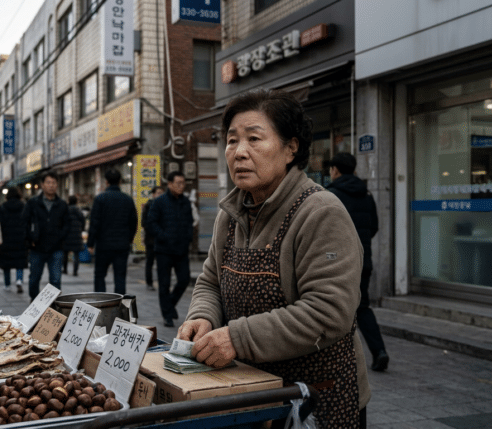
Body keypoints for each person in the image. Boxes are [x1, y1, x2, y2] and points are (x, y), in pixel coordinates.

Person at [178, 89, 370, 428]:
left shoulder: (320, 212)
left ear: (290, 147)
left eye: (254, 139)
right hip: (253, 391)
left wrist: (236, 337)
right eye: (232, 140)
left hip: (316, 396)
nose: (239, 152)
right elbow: (210, 281)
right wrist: (203, 316)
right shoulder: (231, 213)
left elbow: (329, 312)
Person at [326, 152, 389, 372]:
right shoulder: (367, 194)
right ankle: (379, 350)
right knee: (362, 307)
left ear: (335, 170)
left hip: (338, 263)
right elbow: (374, 227)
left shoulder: (330, 195)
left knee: (334, 308)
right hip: (364, 261)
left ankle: (337, 361)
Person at [147, 171, 193, 327]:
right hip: (164, 250)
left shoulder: (186, 202)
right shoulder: (159, 202)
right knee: (164, 284)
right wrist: (163, 236)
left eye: (183, 183)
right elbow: (151, 223)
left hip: (181, 249)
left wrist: (188, 238)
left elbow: (190, 223)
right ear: (170, 184)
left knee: (184, 279)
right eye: (178, 183)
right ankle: (167, 315)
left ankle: (170, 304)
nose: (181, 186)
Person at [87, 169, 138, 294]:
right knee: (120, 277)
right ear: (120, 182)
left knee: (100, 275)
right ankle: (119, 306)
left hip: (103, 244)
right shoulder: (127, 199)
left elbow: (95, 223)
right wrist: (129, 239)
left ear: (106, 182)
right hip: (122, 245)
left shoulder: (100, 199)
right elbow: (134, 222)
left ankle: (101, 304)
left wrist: (90, 243)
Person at [22, 172, 69, 300]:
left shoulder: (62, 204)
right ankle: (34, 303)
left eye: (53, 183)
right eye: (48, 183)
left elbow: (67, 225)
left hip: (56, 248)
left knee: (55, 279)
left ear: (57, 185)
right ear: (42, 185)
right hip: (37, 247)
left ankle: (54, 306)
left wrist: (61, 237)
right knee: (34, 279)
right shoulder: (33, 203)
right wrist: (29, 239)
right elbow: (24, 222)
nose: (51, 186)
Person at [0, 187, 27, 293]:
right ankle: (19, 280)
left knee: (6, 263)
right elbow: (26, 222)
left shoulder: (3, 207)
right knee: (20, 261)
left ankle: (7, 284)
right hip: (20, 238)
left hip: (6, 238)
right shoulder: (23, 206)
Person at [141, 186, 164, 291]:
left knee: (162, 263)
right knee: (149, 262)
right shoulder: (148, 205)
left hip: (162, 240)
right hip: (150, 239)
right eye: (158, 193)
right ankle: (149, 282)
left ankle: (162, 283)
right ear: (153, 194)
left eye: (161, 193)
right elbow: (144, 223)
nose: (160, 195)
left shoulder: (166, 205)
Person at [63, 196, 85, 276]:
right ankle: (75, 271)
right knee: (76, 254)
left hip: (67, 234)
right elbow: (83, 220)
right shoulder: (78, 210)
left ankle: (65, 269)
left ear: (68, 201)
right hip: (76, 234)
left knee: (65, 253)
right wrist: (81, 229)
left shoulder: (65, 210)